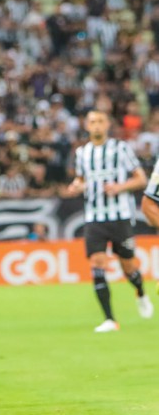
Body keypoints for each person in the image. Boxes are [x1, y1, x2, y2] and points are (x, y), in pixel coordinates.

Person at [67, 110, 153, 332]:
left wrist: (120, 187)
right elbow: (81, 179)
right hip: (94, 218)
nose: (96, 126)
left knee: (129, 267)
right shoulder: (82, 153)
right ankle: (109, 320)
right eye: (92, 122)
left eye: (100, 122)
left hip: (120, 217)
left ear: (107, 125)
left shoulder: (120, 148)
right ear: (87, 126)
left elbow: (141, 179)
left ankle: (141, 292)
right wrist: (76, 185)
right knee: (97, 263)